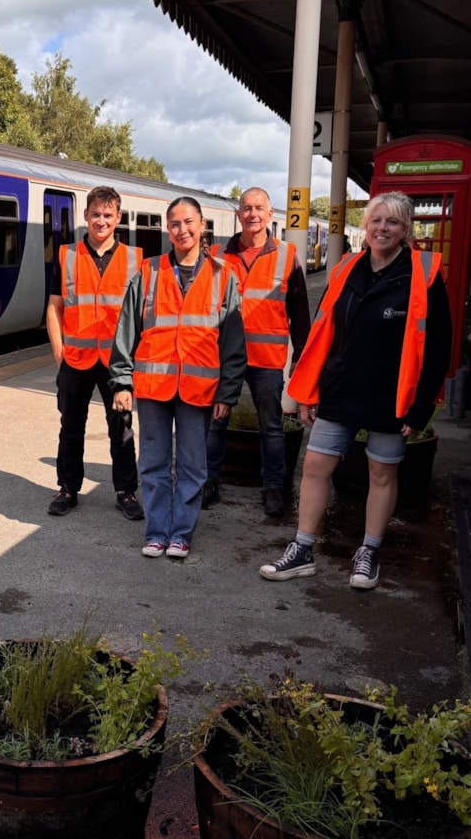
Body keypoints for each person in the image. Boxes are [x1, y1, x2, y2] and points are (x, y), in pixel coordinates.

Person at [259, 191, 451, 589]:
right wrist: (309, 392)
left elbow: (438, 349)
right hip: (340, 388)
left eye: (393, 223)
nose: (383, 228)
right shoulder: (346, 267)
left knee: (381, 472)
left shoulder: (425, 273)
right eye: (376, 220)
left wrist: (421, 411)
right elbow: (322, 334)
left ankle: (368, 552)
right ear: (366, 226)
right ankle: (302, 549)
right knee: (314, 466)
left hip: (392, 395)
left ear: (405, 230)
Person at [109, 197, 246, 559]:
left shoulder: (222, 277)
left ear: (203, 226)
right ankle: (156, 532)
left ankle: (181, 534)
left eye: (188, 222)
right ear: (166, 229)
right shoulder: (149, 272)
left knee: (192, 466)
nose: (182, 230)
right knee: (152, 463)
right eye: (174, 224)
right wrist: (122, 382)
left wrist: (227, 393)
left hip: (199, 390)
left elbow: (233, 342)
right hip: (154, 386)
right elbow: (127, 329)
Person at [202, 187, 311, 516]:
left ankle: (274, 487)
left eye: (258, 208)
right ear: (238, 214)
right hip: (224, 358)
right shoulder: (219, 256)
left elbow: (300, 313)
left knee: (272, 426)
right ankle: (210, 482)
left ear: (270, 214)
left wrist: (300, 357)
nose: (252, 214)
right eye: (246, 208)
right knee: (215, 423)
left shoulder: (287, 255)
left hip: (267, 360)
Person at [46, 186, 144, 519]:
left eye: (108, 215)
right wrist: (60, 356)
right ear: (85, 216)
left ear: (118, 218)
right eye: (95, 214)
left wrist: (133, 363)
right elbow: (54, 308)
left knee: (123, 427)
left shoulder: (135, 260)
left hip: (118, 363)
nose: (101, 221)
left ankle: (126, 492)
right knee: (71, 427)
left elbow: (141, 314)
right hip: (75, 360)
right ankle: (68, 489)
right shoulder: (67, 256)